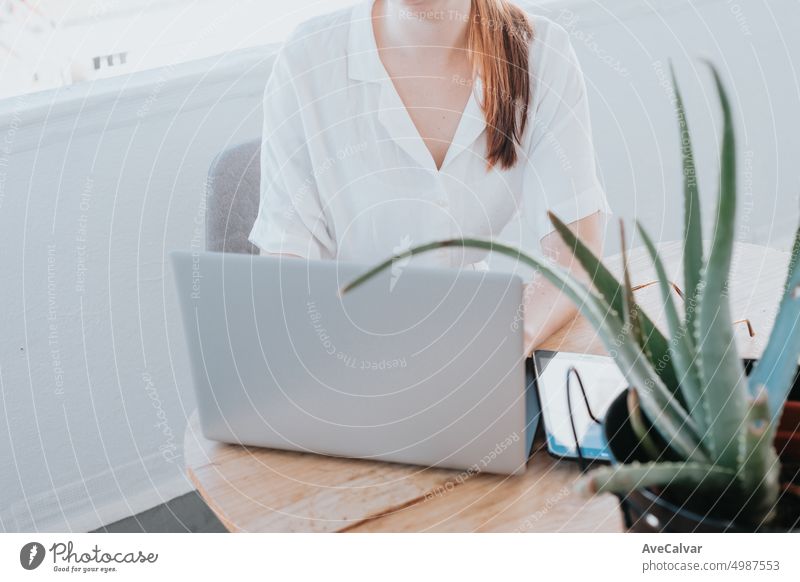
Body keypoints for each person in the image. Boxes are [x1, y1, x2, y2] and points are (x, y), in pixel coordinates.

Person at [249, 0, 610, 354]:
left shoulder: (540, 53)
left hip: (473, 344)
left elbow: (574, 255)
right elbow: (288, 271)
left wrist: (504, 343)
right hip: (345, 351)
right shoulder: (307, 60)